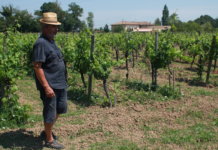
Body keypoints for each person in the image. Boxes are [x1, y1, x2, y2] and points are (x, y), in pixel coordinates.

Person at [32, 12, 67, 149]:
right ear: (45, 27)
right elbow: (37, 66)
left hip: (60, 83)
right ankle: (49, 139)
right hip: (50, 85)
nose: (56, 29)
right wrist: (46, 87)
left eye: (56, 27)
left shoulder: (51, 41)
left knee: (60, 109)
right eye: (53, 27)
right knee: (50, 111)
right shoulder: (41, 43)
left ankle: (47, 131)